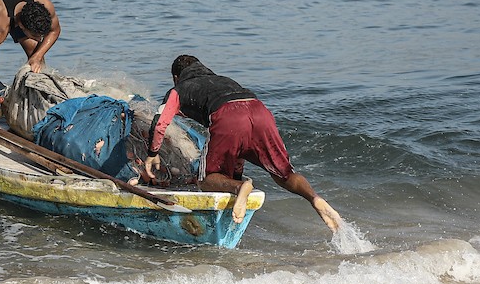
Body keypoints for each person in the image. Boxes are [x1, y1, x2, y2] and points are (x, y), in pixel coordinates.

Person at [142, 55, 342, 230]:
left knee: (206, 178)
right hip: (259, 110)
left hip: (227, 115)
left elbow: (160, 123)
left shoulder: (179, 89)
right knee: (283, 173)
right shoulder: (223, 80)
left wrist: (152, 154)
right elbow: (237, 147)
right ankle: (314, 198)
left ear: (176, 77)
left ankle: (241, 188)